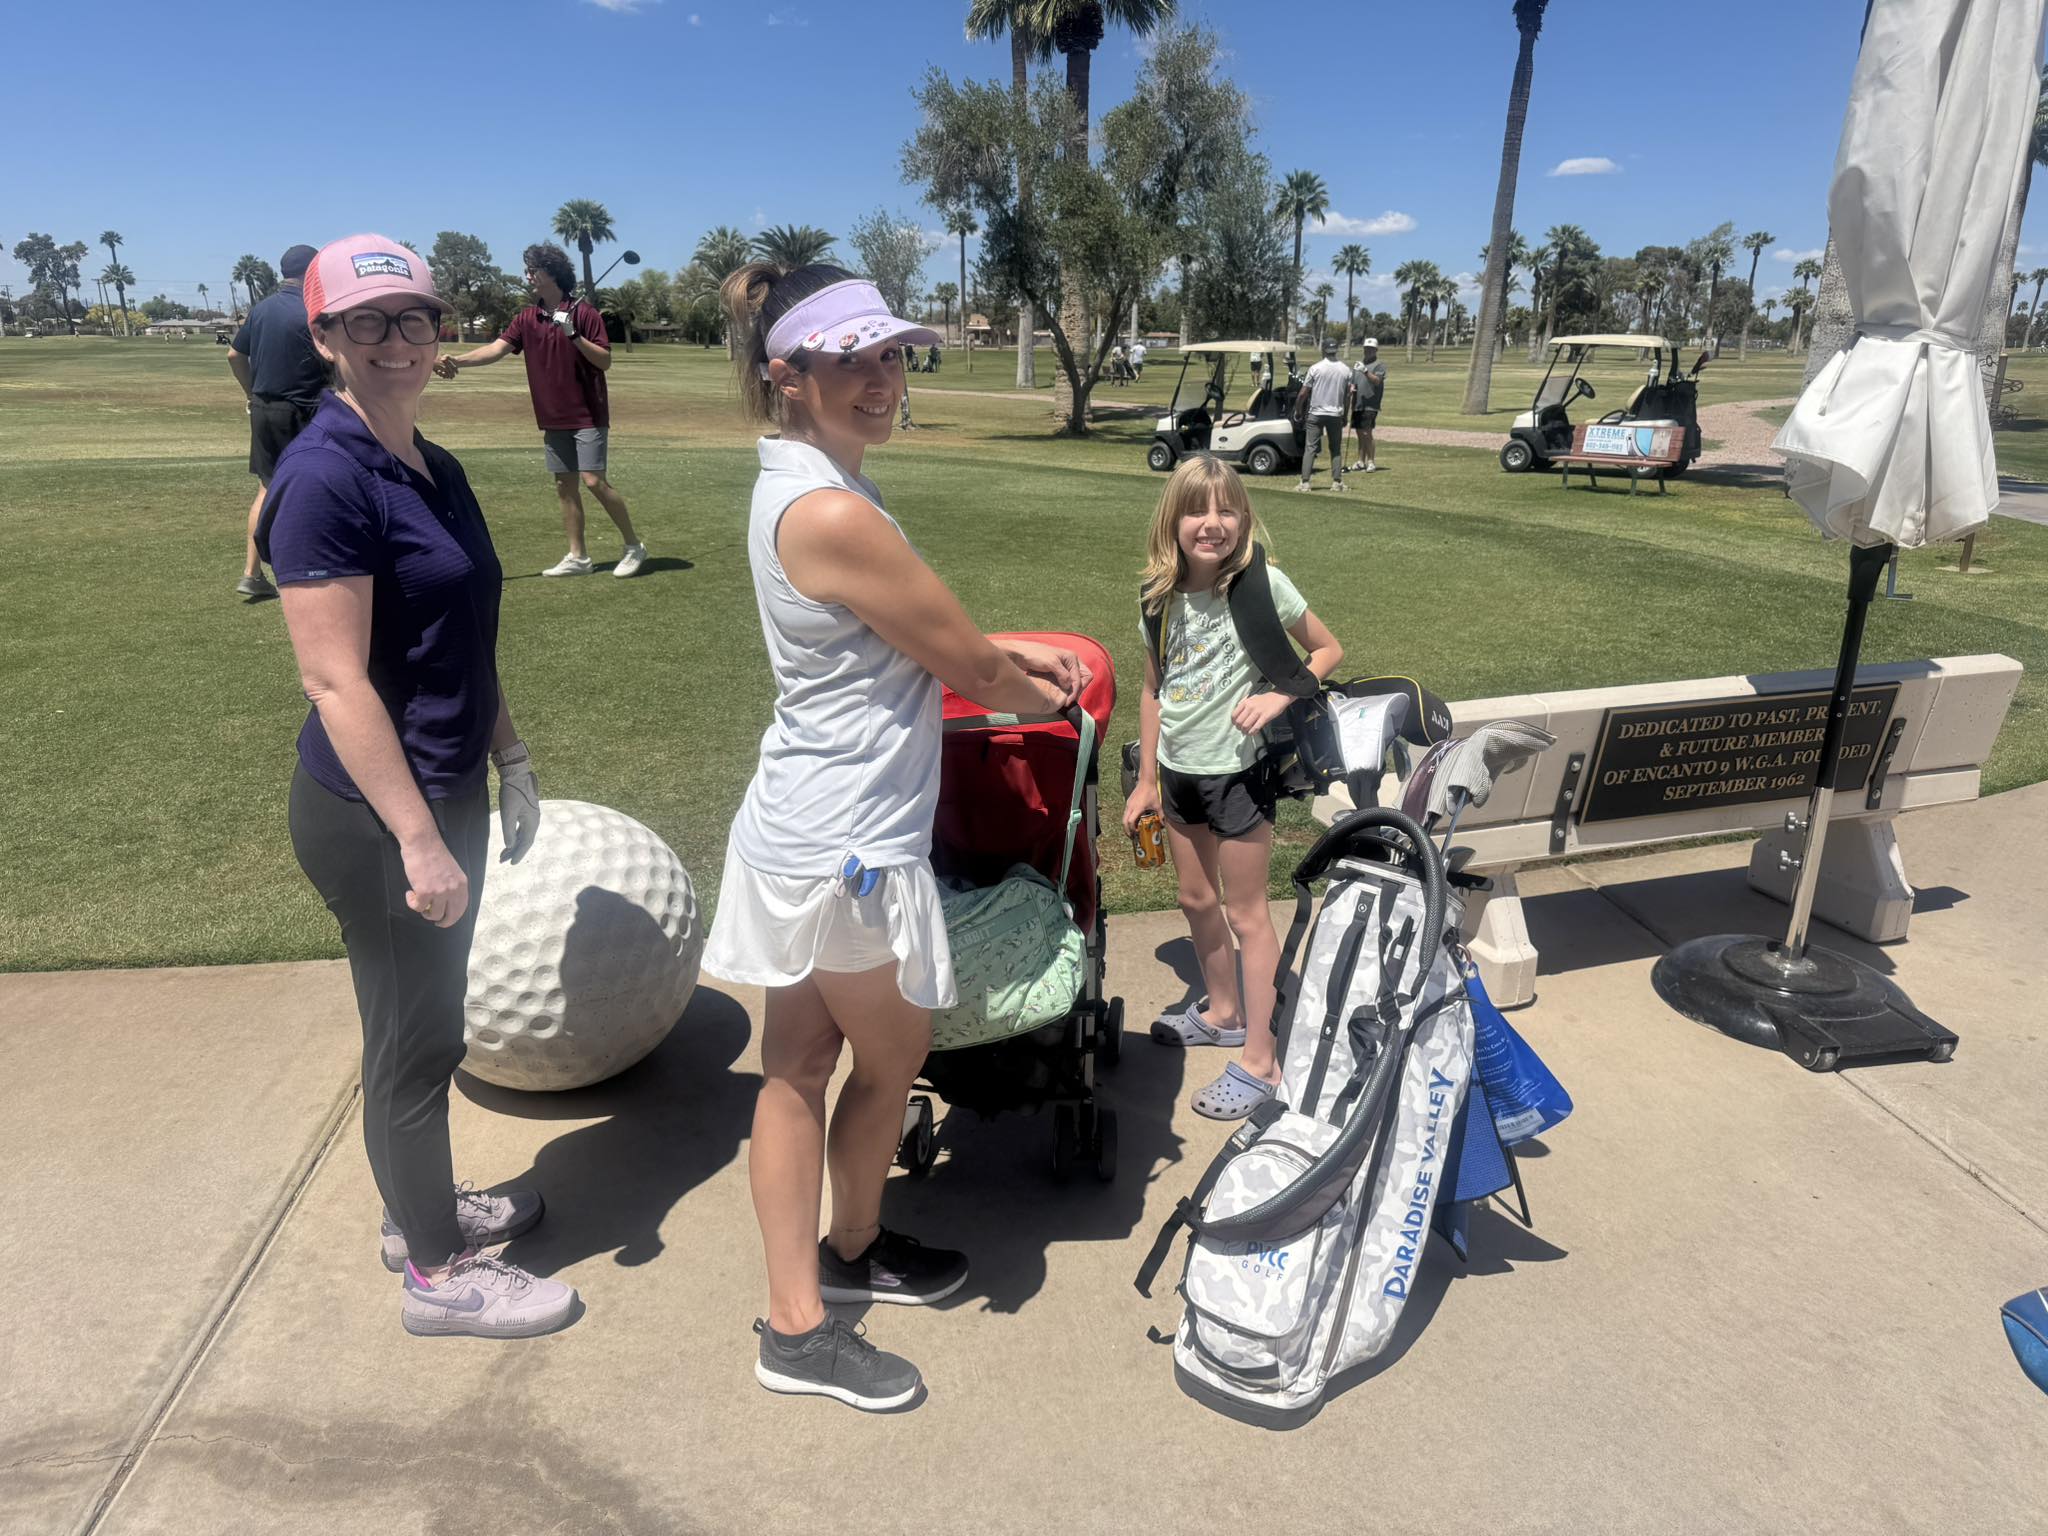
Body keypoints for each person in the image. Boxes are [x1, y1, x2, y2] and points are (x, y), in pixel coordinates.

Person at [703, 261, 1086, 1412]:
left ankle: (844, 1260)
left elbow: (919, 642)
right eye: (851, 359)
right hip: (848, 847)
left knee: (801, 1066)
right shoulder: (827, 508)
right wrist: (1037, 688)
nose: (881, 379)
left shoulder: (808, 482)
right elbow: (963, 663)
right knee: (884, 1058)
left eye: (890, 356)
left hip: (810, 825)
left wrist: (1010, 663)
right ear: (787, 374)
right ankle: (802, 1317)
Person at [262, 235, 574, 1339]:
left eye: (414, 321)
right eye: (367, 324)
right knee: (415, 1039)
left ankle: (421, 1205)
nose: (396, 344)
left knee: (421, 1026)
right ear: (325, 340)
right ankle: (435, 1272)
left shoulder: (432, 466)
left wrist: (512, 754)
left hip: (442, 786)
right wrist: (418, 841)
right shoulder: (323, 475)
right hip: (372, 814)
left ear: (441, 335)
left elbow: (462, 637)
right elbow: (333, 677)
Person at [1124, 453, 1343, 1119]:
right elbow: (1154, 689)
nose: (1211, 523)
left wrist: (1279, 696)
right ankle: (1221, 1011)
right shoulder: (1158, 597)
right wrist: (1147, 780)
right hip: (1183, 776)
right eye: (1197, 509)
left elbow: (1328, 650)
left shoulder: (1262, 584)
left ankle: (1260, 1057)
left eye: (1226, 510)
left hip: (1240, 775)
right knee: (1195, 899)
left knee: (1248, 915)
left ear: (1244, 519)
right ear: (1174, 520)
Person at [436, 242, 648, 578]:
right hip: (552, 415)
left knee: (593, 481)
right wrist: (456, 361)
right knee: (565, 486)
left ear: (552, 272)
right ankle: (578, 557)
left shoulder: (584, 315)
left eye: (534, 269)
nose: (528, 275)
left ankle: (634, 545)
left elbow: (604, 361)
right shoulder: (526, 318)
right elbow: (496, 350)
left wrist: (573, 334)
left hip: (587, 413)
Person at [227, 244, 328, 600]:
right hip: (306, 411)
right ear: (313, 271)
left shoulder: (262, 309)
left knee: (268, 489)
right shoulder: (316, 310)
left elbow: (235, 354)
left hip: (264, 409)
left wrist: (251, 393)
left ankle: (252, 574)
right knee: (318, 487)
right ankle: (315, 570)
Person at [1296, 336, 1352, 492]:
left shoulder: (1315, 368)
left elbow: (1303, 393)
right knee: (1335, 449)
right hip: (1335, 414)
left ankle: (1305, 482)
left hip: (1316, 413)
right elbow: (1347, 397)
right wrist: (1345, 415)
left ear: (1324, 350)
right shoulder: (1346, 370)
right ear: (1336, 350)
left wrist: (1299, 410)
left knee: (1310, 448)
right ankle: (1336, 482)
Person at [1349, 339, 1387, 473]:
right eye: (1366, 348)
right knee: (1359, 433)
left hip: (1371, 404)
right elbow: (1353, 382)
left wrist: (1365, 371)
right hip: (1358, 404)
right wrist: (1352, 387)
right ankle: (1360, 461)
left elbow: (1377, 381)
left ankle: (1371, 461)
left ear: (1376, 350)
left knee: (1367, 432)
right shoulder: (1358, 365)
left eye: (1371, 349)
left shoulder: (1379, 365)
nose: (1368, 351)